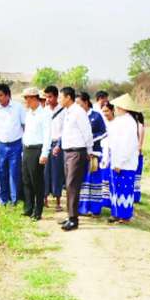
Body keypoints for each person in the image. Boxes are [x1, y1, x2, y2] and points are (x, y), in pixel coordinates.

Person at [58, 87, 93, 231]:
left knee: (72, 185)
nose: (59, 100)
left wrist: (89, 150)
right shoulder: (67, 112)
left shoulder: (78, 112)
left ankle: (74, 220)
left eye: (61, 97)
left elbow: (87, 132)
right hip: (67, 152)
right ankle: (70, 215)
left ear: (68, 97)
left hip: (77, 152)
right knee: (68, 184)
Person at [104, 94, 141, 223]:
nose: (115, 109)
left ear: (122, 107)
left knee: (125, 190)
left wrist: (120, 162)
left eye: (116, 107)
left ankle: (125, 216)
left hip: (125, 163)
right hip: (116, 160)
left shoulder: (129, 122)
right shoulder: (120, 120)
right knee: (115, 188)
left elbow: (128, 145)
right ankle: (116, 213)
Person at [20, 87, 51, 220]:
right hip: (27, 149)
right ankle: (28, 208)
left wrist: (44, 153)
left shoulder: (44, 114)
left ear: (34, 98)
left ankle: (38, 211)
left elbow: (47, 135)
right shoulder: (29, 113)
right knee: (26, 180)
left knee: (36, 181)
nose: (25, 101)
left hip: (37, 149)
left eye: (27, 98)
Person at [76, 92, 108, 216]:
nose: (77, 106)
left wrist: (91, 139)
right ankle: (82, 208)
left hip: (94, 152)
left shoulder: (96, 116)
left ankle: (95, 209)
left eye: (79, 103)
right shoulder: (77, 116)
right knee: (82, 179)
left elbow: (104, 132)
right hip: (80, 152)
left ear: (86, 102)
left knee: (93, 178)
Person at [44, 85, 66, 212]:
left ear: (56, 97)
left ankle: (58, 201)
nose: (48, 99)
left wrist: (59, 145)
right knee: (45, 172)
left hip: (58, 144)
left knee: (57, 173)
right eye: (46, 97)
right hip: (46, 145)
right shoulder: (44, 111)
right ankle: (45, 199)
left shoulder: (63, 111)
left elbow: (65, 130)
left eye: (50, 97)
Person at [100, 102, 115, 210]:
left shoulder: (117, 123)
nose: (105, 113)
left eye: (107, 111)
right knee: (104, 175)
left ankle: (111, 199)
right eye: (103, 111)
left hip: (113, 152)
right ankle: (104, 199)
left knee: (111, 176)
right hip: (103, 151)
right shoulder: (103, 123)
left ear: (112, 110)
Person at [128, 110, 146, 203]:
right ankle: (135, 195)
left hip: (135, 152)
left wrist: (138, 149)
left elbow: (140, 142)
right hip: (134, 152)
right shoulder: (136, 125)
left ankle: (135, 195)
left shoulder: (139, 125)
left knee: (135, 176)